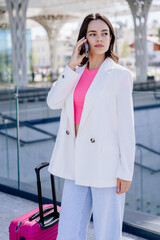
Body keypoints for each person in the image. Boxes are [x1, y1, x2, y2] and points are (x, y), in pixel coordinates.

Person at [47, 13, 136, 240]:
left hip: (106, 163)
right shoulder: (74, 73)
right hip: (76, 160)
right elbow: (53, 102)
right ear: (83, 40)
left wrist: (125, 171)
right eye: (93, 34)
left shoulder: (119, 75)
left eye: (104, 33)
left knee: (107, 230)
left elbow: (127, 126)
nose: (99, 38)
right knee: (69, 229)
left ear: (111, 38)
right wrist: (71, 64)